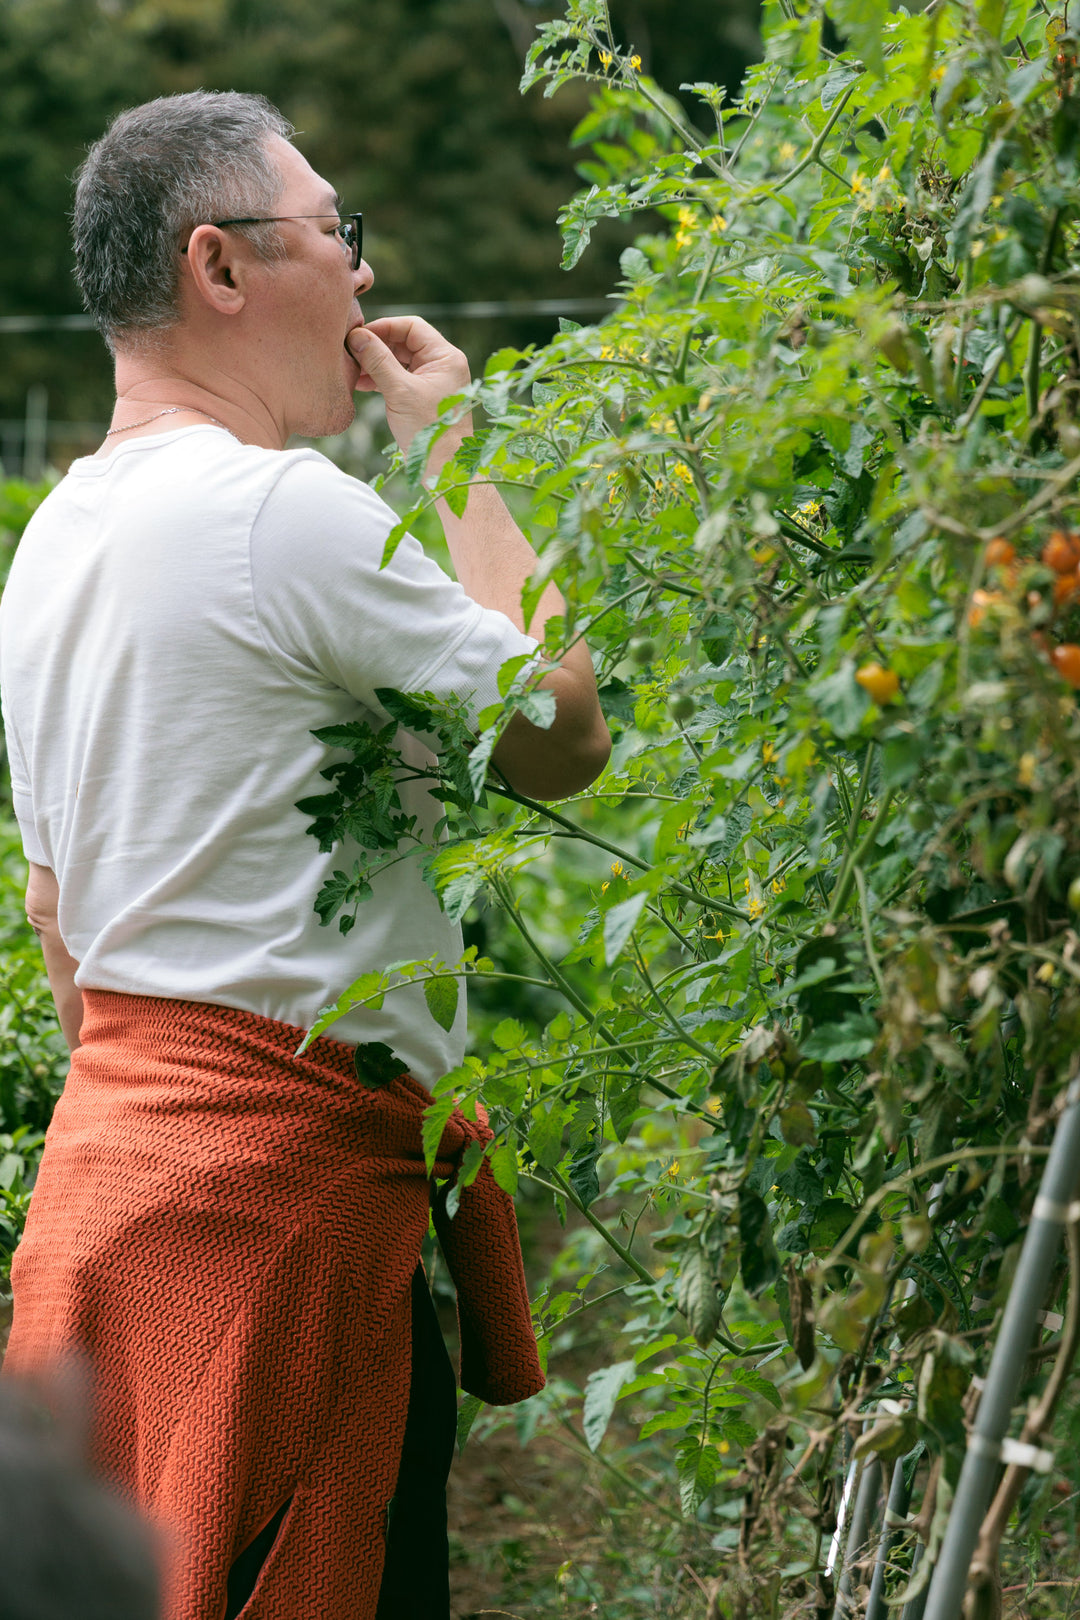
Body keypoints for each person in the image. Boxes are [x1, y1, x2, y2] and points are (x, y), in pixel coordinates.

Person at [0, 90, 610, 1620]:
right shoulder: (281, 514)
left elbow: (60, 928)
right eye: (337, 234)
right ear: (220, 266)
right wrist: (456, 440)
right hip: (277, 1226)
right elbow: (560, 729)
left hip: (106, 1208)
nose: (357, 275)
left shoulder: (53, 537)